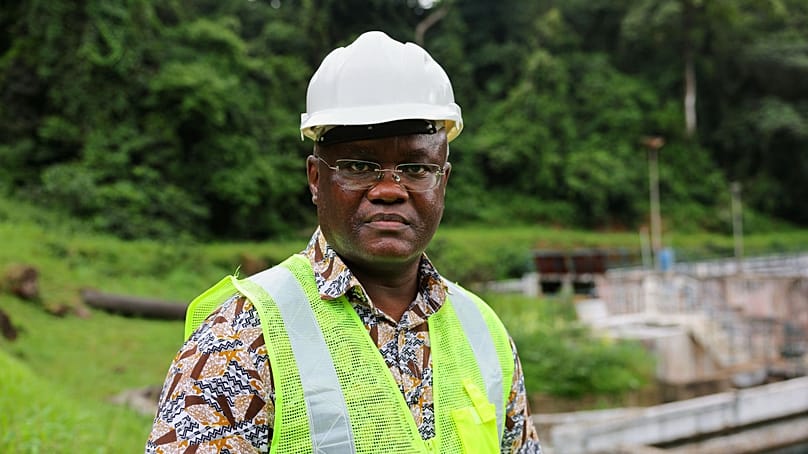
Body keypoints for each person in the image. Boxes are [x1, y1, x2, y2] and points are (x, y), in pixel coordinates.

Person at [146, 31, 542, 453]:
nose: (389, 189)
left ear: (443, 182)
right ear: (317, 179)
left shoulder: (485, 333)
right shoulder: (240, 338)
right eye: (359, 165)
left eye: (416, 168)